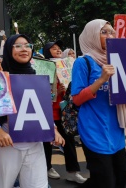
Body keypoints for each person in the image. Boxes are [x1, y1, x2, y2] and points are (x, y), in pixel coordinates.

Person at [0, 34, 65, 188]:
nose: (24, 49)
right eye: (18, 46)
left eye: (27, 45)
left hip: (35, 143)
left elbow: (42, 108)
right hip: (7, 143)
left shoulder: (36, 76)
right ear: (9, 49)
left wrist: (53, 129)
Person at [72, 19, 126, 188]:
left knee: (120, 180)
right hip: (94, 129)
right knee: (105, 181)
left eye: (112, 32)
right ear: (92, 36)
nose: (110, 36)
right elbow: (77, 99)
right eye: (104, 32)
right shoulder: (83, 62)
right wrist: (101, 79)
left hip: (116, 130)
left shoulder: (119, 60)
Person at [42, 40, 87, 183]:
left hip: (63, 112)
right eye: (53, 48)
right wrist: (54, 92)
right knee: (46, 143)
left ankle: (73, 171)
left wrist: (65, 90)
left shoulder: (67, 66)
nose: (58, 50)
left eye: (59, 48)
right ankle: (47, 168)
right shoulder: (43, 68)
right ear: (47, 52)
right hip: (47, 112)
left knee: (69, 141)